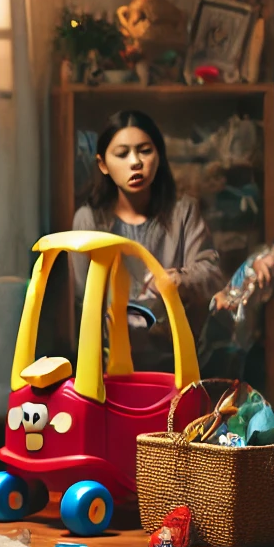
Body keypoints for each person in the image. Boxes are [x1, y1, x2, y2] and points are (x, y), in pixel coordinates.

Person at [70, 110, 228, 370]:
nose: (135, 162)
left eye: (145, 151)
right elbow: (82, 295)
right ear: (102, 164)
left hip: (175, 359)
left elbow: (212, 273)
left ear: (160, 156)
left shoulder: (183, 212)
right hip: (110, 365)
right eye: (122, 154)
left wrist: (179, 279)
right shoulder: (89, 222)